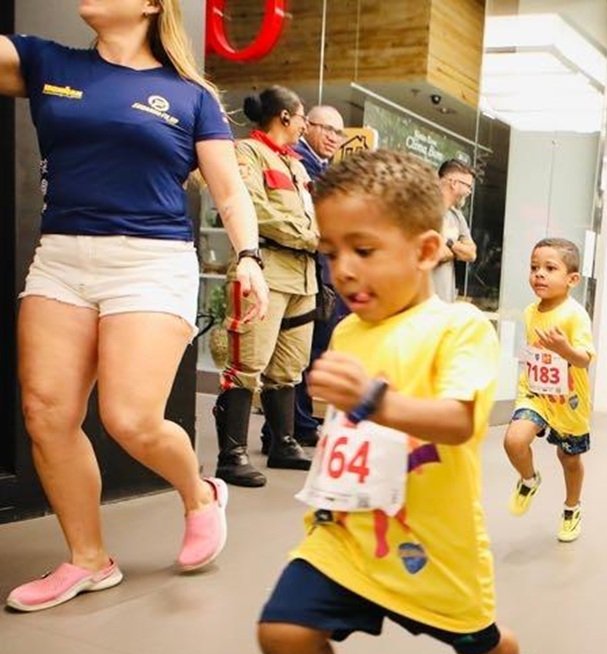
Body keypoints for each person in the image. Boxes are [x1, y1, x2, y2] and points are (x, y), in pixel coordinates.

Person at [257, 151, 544, 654]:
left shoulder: (459, 327)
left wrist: (373, 400)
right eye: (331, 252)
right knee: (282, 632)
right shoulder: (348, 331)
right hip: (347, 534)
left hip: (433, 544)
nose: (344, 270)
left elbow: (460, 420)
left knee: (481, 647)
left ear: (426, 250)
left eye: (363, 248)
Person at [2, 1, 268, 612]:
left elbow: (229, 190)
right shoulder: (46, 61)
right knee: (47, 413)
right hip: (62, 258)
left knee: (130, 418)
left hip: (150, 261)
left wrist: (248, 257)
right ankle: (89, 559)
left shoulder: (189, 95)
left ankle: (199, 493)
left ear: (152, 3)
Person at [215, 86, 319, 488]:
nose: (305, 124)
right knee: (247, 363)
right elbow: (254, 208)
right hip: (265, 271)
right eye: (302, 116)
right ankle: (232, 454)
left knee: (289, 367)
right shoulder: (246, 153)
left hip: (302, 278)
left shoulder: (296, 164)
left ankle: (284, 442)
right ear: (284, 117)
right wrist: (311, 237)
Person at [262, 104, 348, 453]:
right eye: (326, 128)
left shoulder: (322, 168)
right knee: (295, 355)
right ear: (305, 125)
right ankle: (286, 428)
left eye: (339, 132)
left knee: (306, 354)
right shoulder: (298, 163)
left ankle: (297, 424)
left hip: (317, 272)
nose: (333, 137)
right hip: (295, 269)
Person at [504, 238, 595, 543]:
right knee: (515, 441)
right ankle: (529, 479)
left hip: (568, 401)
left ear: (572, 279)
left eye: (549, 268)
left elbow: (584, 359)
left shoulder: (574, 314)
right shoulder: (530, 312)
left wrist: (563, 348)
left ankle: (572, 508)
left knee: (568, 459)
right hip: (535, 393)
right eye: (534, 268)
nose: (538, 274)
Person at [434, 159, 477, 303]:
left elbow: (471, 253)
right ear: (454, 183)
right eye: (468, 187)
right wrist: (458, 252)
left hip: (445, 304)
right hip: (422, 305)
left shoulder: (457, 216)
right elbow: (435, 253)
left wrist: (448, 242)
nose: (469, 192)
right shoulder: (424, 209)